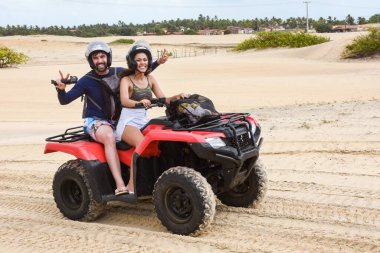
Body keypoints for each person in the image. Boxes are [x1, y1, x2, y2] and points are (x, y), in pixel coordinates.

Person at [55, 41, 168, 196]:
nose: (99, 60)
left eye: (102, 56)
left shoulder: (119, 72)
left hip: (119, 121)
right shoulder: (86, 80)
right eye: (95, 58)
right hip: (95, 122)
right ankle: (120, 184)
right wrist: (61, 90)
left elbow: (139, 70)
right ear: (91, 60)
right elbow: (65, 100)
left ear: (108, 57)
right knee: (109, 137)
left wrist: (157, 63)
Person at [115, 40, 187, 195]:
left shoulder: (151, 79)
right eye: (138, 60)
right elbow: (124, 101)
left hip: (143, 121)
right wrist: (139, 103)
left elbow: (163, 99)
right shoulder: (126, 80)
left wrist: (178, 96)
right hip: (127, 123)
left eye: (145, 60)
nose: (142, 63)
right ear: (132, 62)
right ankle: (131, 186)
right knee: (141, 143)